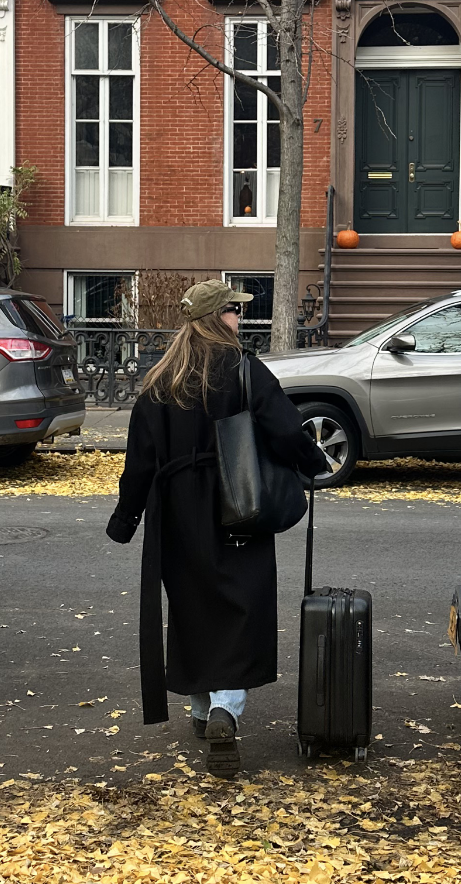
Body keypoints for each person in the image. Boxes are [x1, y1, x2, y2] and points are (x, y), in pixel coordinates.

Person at [106, 279, 328, 780]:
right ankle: (226, 708)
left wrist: (126, 520)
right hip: (238, 505)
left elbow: (139, 462)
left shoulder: (159, 381)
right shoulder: (243, 368)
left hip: (176, 513)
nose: (240, 319)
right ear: (215, 318)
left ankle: (204, 711)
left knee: (193, 606)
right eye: (233, 311)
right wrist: (314, 464)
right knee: (241, 604)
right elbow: (286, 428)